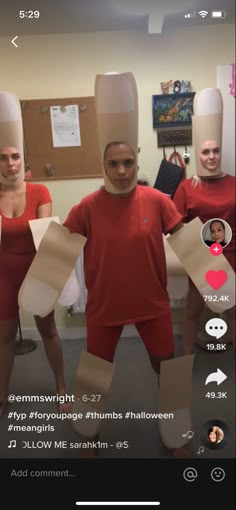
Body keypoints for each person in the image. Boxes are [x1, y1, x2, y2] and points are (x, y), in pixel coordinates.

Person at [64, 140, 190, 457]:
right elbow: (60, 248)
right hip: (105, 306)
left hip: (152, 304)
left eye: (128, 163)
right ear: (103, 166)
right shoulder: (87, 206)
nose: (121, 171)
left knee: (167, 366)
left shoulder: (157, 201)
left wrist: (216, 277)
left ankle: (176, 434)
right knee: (95, 374)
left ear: (136, 162)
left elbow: (185, 240)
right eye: (113, 164)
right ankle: (89, 438)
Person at [0, 93, 70, 417]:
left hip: (37, 269)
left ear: (23, 161)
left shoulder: (40, 191)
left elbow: (46, 237)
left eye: (15, 157)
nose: (10, 163)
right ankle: (2, 394)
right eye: (2, 158)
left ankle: (61, 387)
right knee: (4, 336)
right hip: (5, 273)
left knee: (48, 330)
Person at [173, 88, 235, 354]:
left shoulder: (234, 184)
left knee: (232, 313)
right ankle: (186, 357)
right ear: (198, 155)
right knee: (193, 312)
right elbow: (175, 226)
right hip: (199, 258)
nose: (211, 157)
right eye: (205, 152)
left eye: (215, 151)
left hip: (231, 256)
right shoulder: (187, 188)